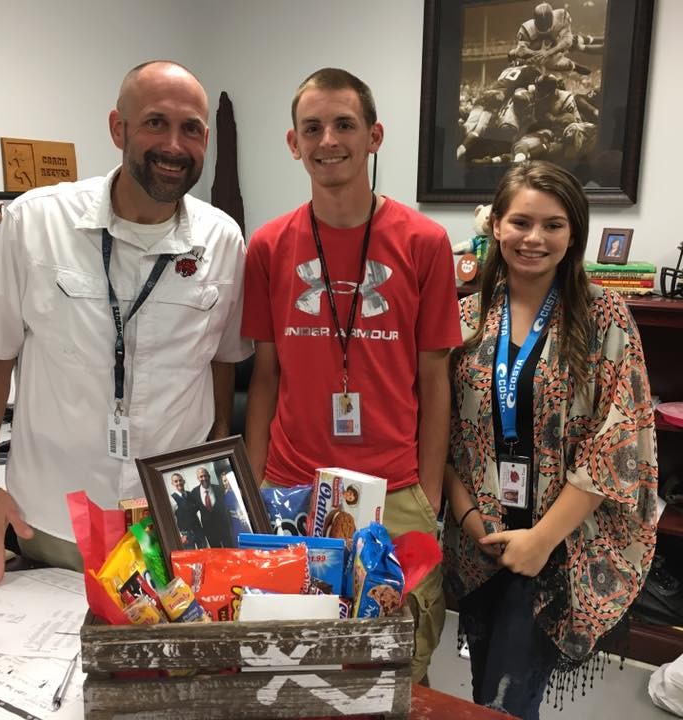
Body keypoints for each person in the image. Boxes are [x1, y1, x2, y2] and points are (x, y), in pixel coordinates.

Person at [0, 60, 252, 585]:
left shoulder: (224, 241)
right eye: (156, 122)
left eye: (191, 129)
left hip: (175, 523)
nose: (174, 145)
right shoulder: (34, 223)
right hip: (54, 522)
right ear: (119, 128)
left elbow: (221, 360)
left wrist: (214, 467)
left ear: (206, 140)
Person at [242, 68, 462, 683]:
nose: (329, 140)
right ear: (294, 143)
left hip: (396, 489)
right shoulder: (268, 245)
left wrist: (428, 495)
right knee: (289, 665)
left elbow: (435, 379)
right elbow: (265, 376)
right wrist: (258, 486)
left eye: (344, 124)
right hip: (292, 487)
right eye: (312, 128)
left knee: (397, 666)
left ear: (374, 136)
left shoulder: (424, 242)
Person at [442, 161, 658, 718]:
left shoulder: (603, 316)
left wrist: (540, 539)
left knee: (508, 698)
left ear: (574, 233)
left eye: (553, 225)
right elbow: (443, 433)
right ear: (496, 225)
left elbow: (619, 441)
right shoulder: (466, 316)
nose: (534, 238)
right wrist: (470, 519)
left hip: (560, 544)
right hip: (481, 542)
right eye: (521, 222)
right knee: (486, 687)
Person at [192, 466, 234, 547]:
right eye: (201, 476)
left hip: (224, 527)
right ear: (198, 478)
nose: (204, 478)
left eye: (205, 475)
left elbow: (227, 505)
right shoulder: (194, 493)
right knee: (216, 552)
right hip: (209, 530)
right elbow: (192, 512)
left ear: (209, 476)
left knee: (229, 548)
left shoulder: (219, 489)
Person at [170, 472, 207, 549]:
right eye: (176, 481)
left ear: (184, 481)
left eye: (180, 480)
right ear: (172, 483)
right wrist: (180, 535)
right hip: (186, 535)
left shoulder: (191, 495)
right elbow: (171, 520)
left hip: (198, 530)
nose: (179, 483)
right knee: (191, 555)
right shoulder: (172, 499)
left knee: (204, 553)